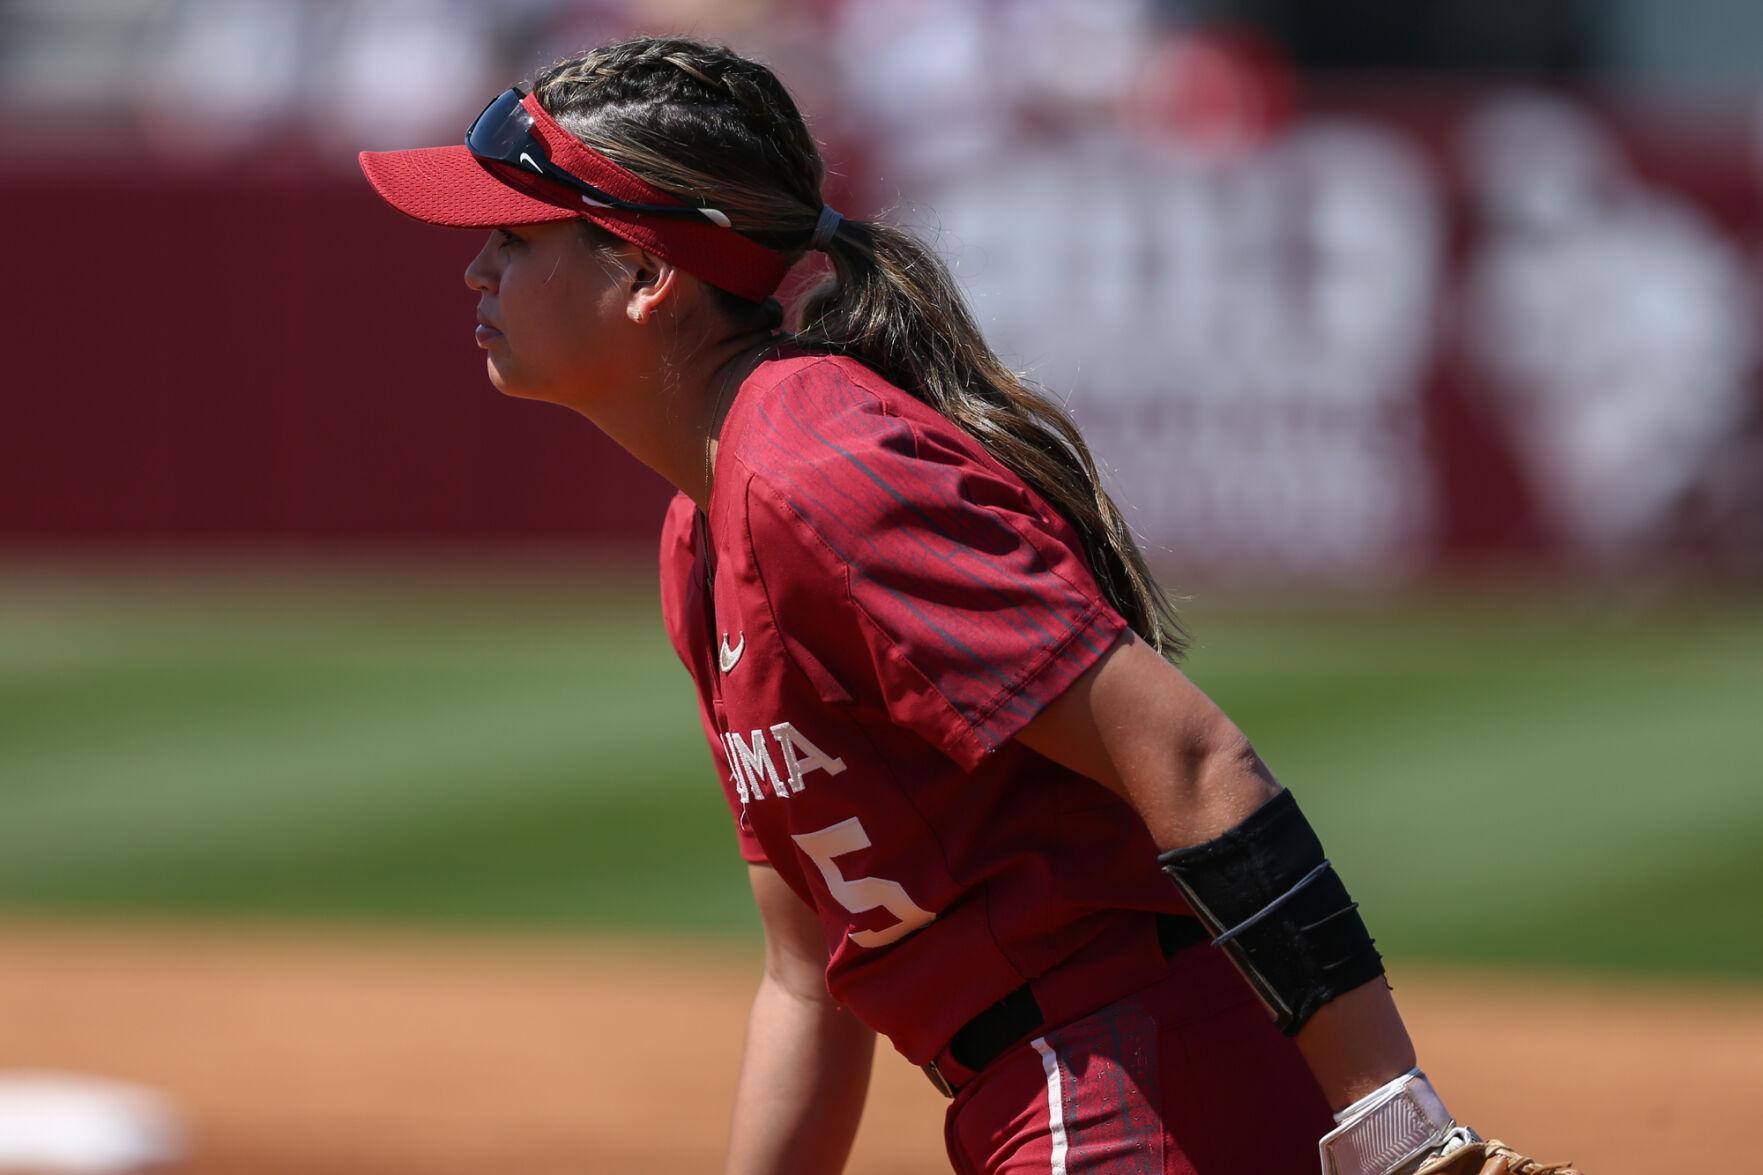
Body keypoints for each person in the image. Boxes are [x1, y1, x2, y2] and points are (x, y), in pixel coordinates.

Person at [359, 35, 1578, 1175]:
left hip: (1134, 1085)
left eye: (515, 236)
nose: (475, 266)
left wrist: (1396, 1128)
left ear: (643, 272)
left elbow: (1192, 757)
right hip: (1052, 1090)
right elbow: (805, 977)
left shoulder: (818, 470)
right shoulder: (704, 526)